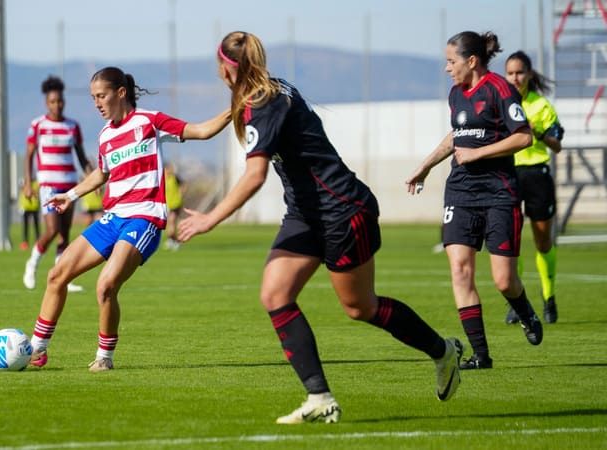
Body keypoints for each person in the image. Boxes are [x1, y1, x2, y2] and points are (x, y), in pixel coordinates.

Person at [177, 31, 464, 425]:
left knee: (360, 307)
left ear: (227, 69)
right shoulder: (265, 92)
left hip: (343, 211)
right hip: (306, 214)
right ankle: (320, 397)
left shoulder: (264, 100)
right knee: (275, 294)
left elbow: (255, 174)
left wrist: (211, 218)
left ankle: (444, 351)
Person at [28, 66, 231, 372]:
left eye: (101, 96)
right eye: (94, 97)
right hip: (113, 219)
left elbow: (201, 131)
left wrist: (237, 106)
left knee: (105, 285)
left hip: (144, 219)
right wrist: (70, 195)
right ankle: (37, 349)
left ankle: (104, 357)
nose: (96, 103)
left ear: (120, 93)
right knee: (57, 274)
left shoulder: (150, 122)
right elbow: (102, 173)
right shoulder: (105, 135)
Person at [405, 31, 544, 371]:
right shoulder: (456, 94)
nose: (446, 68)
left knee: (504, 280)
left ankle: (525, 310)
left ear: (471, 61)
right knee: (460, 270)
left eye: (451, 61)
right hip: (461, 191)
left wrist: (479, 153)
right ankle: (481, 356)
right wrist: (425, 166)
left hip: (499, 193)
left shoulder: (500, 89)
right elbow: (457, 136)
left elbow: (524, 136)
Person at [503, 51, 563, 325]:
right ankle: (518, 302)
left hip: (537, 175)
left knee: (542, 241)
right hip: (508, 175)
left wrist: (536, 131)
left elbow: (557, 144)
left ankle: (549, 298)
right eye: (511, 73)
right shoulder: (501, 103)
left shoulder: (541, 106)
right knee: (511, 242)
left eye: (520, 72)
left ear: (529, 74)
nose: (515, 78)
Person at [22, 75, 94, 293]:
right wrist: (28, 183)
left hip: (70, 186)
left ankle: (63, 276)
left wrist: (91, 177)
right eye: (53, 101)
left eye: (60, 101)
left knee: (64, 233)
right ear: (47, 103)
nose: (57, 105)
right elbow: (28, 156)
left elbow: (81, 157)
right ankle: (32, 264)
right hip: (48, 186)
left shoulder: (73, 126)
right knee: (52, 229)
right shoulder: (38, 125)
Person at [163, 163, 187, 250]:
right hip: (167, 204)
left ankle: (175, 241)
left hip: (175, 203)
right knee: (169, 224)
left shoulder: (174, 178)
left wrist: (181, 194)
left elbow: (184, 185)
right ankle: (172, 240)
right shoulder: (162, 179)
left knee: (172, 222)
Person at [19, 178, 41, 251]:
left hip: (35, 207)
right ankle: (25, 242)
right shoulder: (24, 182)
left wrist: (34, 192)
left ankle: (38, 242)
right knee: (25, 226)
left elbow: (38, 193)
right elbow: (22, 189)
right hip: (26, 207)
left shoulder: (37, 183)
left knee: (36, 226)